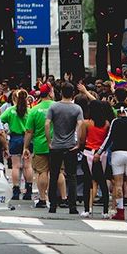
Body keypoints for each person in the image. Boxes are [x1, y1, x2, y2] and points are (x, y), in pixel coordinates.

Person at [95, 105, 127, 220]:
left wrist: (99, 152)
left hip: (118, 153)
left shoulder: (115, 122)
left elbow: (109, 138)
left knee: (118, 183)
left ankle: (120, 211)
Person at [45, 83, 83, 214]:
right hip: (70, 145)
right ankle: (72, 207)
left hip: (56, 145)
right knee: (71, 176)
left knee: (54, 175)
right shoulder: (77, 109)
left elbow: (47, 124)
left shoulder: (54, 107)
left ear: (61, 92)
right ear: (73, 93)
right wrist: (78, 142)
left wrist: (50, 141)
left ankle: (53, 206)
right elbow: (80, 125)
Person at [79, 99, 112, 218]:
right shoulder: (107, 124)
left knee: (87, 182)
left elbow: (82, 139)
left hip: (88, 152)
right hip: (101, 154)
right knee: (102, 182)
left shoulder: (86, 123)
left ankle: (87, 209)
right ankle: (105, 211)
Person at [24, 83, 56, 208]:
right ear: (49, 93)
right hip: (57, 144)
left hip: (40, 145)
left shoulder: (34, 110)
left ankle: (42, 198)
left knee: (42, 172)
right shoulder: (57, 106)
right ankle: (62, 198)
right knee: (58, 172)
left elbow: (29, 131)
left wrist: (26, 147)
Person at [1, 89, 32, 200]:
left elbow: (0, 121)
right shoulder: (30, 111)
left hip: (15, 138)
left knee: (16, 166)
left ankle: (16, 190)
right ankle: (28, 191)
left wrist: (6, 132)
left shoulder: (10, 111)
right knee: (27, 165)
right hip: (27, 139)